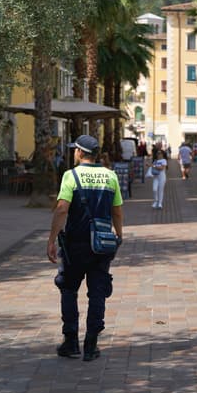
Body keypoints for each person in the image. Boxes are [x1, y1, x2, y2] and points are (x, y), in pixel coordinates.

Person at [46, 135, 123, 362]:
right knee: (98, 291)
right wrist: (119, 235)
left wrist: (51, 239)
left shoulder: (71, 176)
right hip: (101, 244)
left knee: (68, 288)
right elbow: (117, 211)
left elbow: (61, 210)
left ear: (80, 152)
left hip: (75, 245)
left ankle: (71, 342)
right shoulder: (110, 176)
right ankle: (91, 345)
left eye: (74, 150)